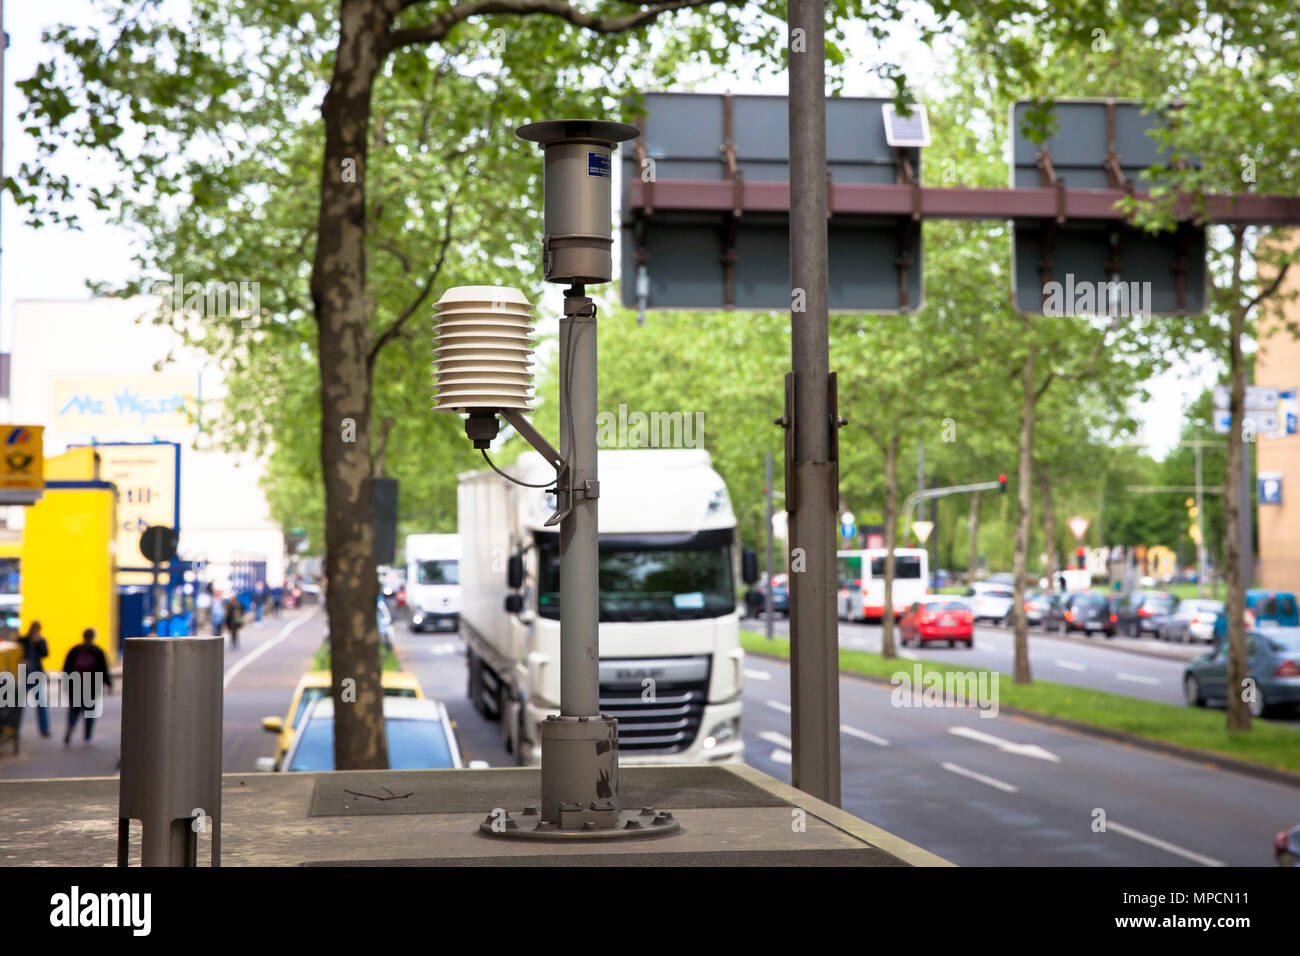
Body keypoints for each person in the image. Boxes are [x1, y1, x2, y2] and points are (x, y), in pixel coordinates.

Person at [62, 628, 111, 745]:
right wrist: (109, 684)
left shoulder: (74, 650)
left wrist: (65, 683)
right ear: (93, 637)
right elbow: (103, 669)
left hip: (75, 684)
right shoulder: (98, 651)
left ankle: (70, 728)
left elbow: (66, 668)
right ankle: (87, 737)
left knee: (74, 710)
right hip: (92, 686)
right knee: (90, 711)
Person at [17, 621, 50, 738]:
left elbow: (45, 653)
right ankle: (15, 729)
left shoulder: (41, 641)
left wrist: (38, 643)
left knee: (41, 703)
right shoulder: (23, 640)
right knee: (19, 704)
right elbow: (18, 654)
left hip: (36, 674)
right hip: (24, 674)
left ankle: (44, 729)